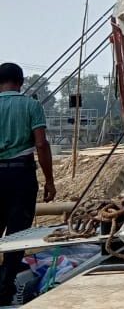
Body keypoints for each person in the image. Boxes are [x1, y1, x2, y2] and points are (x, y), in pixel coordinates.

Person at [0, 63, 55, 304]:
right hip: (21, 175)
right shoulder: (32, 106)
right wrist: (49, 181)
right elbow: (41, 144)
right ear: (20, 82)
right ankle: (5, 287)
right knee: (17, 233)